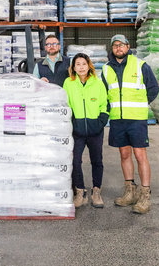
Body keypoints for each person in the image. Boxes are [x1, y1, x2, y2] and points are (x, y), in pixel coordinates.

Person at [102, 35, 159, 214]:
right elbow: (104, 93)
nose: (118, 48)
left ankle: (145, 195)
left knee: (140, 155)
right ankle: (130, 192)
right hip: (118, 120)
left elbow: (153, 88)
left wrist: (142, 105)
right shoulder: (106, 69)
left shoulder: (140, 65)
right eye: (115, 45)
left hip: (136, 119)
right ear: (112, 49)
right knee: (124, 154)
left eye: (122, 45)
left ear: (128, 47)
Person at [63, 53, 109, 209]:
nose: (81, 67)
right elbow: (65, 105)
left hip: (95, 130)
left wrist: (100, 122)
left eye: (84, 64)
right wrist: (72, 124)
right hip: (77, 131)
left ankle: (96, 191)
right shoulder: (69, 83)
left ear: (89, 66)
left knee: (97, 161)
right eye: (78, 64)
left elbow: (105, 104)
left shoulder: (98, 83)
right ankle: (80, 192)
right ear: (73, 68)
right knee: (75, 161)